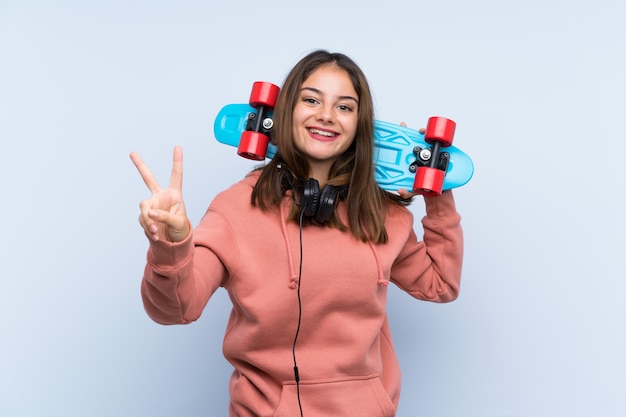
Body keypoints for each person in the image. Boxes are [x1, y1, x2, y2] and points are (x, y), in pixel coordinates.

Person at [130, 50, 463, 417]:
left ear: (359, 125)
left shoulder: (379, 214)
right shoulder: (236, 209)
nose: (326, 115)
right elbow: (176, 308)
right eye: (311, 100)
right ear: (286, 110)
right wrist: (170, 245)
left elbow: (440, 284)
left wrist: (438, 192)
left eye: (344, 107)